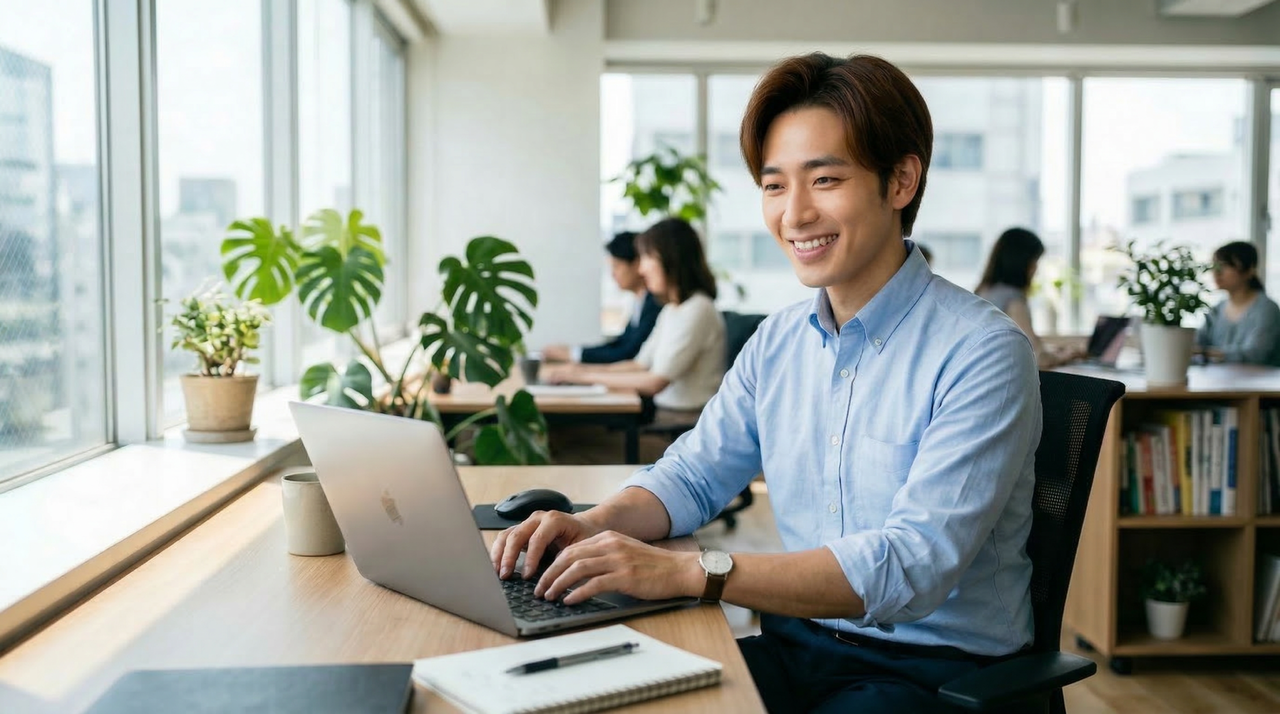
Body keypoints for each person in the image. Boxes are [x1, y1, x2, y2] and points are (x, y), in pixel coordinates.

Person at [493, 53, 1041, 713]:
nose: (795, 214)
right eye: (775, 186)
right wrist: (595, 524)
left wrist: (691, 572)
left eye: (825, 179)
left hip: (933, 673)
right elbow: (693, 478)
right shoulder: (779, 342)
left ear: (900, 181)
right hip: (795, 640)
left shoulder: (983, 352)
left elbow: (909, 567)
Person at [541, 218, 726, 413]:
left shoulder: (698, 309)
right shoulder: (672, 310)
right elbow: (639, 364)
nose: (641, 269)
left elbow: (655, 382)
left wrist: (582, 377)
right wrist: (580, 371)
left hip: (683, 421)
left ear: (670, 258)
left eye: (647, 258)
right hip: (666, 414)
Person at [541, 231, 661, 364]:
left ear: (637, 264)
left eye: (617, 266)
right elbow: (620, 344)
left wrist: (573, 355)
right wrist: (574, 352)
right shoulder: (641, 301)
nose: (613, 274)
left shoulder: (655, 302)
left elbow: (628, 353)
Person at [975, 227, 1081, 368]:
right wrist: (1067, 356)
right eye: (1035, 261)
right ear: (1022, 262)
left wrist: (1051, 350)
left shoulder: (984, 291)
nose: (1036, 269)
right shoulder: (1012, 298)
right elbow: (1037, 358)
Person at [1197, 241, 1280, 366]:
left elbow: (1256, 354)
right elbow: (1196, 343)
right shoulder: (1216, 310)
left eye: (1224, 265)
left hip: (1258, 382)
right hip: (1218, 381)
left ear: (1249, 270)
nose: (1216, 272)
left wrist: (1205, 353)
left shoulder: (1267, 309)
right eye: (1214, 266)